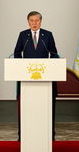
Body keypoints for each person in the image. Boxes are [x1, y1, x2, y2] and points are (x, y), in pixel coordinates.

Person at [14, 11, 59, 140]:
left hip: (45, 78)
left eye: (37, 20)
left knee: (46, 109)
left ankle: (49, 135)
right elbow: (17, 53)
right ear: (28, 22)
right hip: (26, 78)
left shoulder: (48, 35)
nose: (34, 23)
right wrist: (20, 68)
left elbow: (54, 53)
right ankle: (23, 135)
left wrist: (53, 65)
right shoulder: (23, 35)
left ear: (41, 21)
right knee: (26, 109)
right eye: (32, 21)